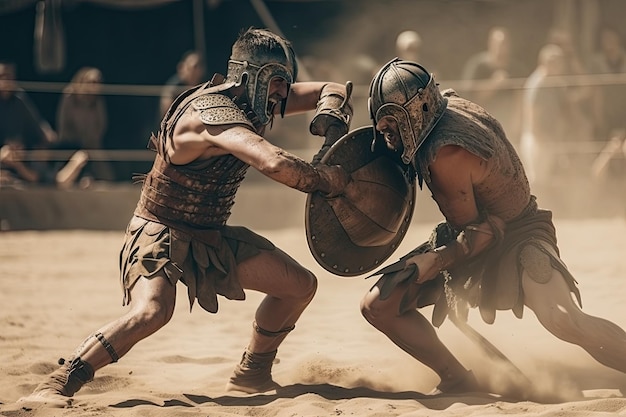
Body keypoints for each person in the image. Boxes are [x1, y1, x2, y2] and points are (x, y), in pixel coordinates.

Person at [19, 27, 353, 407]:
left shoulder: (255, 102)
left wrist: (330, 110)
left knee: (298, 285)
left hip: (207, 236)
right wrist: (329, 180)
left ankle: (252, 371)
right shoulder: (209, 116)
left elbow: (333, 86)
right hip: (159, 233)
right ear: (250, 77)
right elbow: (273, 162)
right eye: (277, 82)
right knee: (153, 311)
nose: (282, 93)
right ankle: (62, 380)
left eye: (285, 82)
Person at [360, 58, 626, 396]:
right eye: (382, 126)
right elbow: (470, 224)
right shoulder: (446, 105)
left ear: (414, 114)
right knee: (377, 305)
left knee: (562, 319)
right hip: (469, 231)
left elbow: (482, 233)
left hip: (518, 235)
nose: (387, 136)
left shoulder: (447, 152)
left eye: (392, 125)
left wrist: (435, 261)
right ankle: (457, 378)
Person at [519, 43, 592, 185]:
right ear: (546, 62)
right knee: (536, 182)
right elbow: (532, 115)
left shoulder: (556, 82)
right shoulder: (537, 84)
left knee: (549, 180)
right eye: (557, 62)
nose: (561, 65)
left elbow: (578, 95)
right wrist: (542, 139)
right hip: (537, 140)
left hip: (551, 139)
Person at [0, 60, 56, 186]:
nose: (6, 81)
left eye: (9, 77)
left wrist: (46, 140)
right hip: (3, 155)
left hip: (19, 156)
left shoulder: (19, 100)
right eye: (2, 77)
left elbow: (38, 126)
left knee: (39, 166)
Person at [54, 66, 111, 187]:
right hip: (70, 144)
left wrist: (91, 140)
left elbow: (101, 125)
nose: (94, 86)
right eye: (91, 82)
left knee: (106, 175)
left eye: (97, 82)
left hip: (92, 144)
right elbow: (63, 123)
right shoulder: (70, 96)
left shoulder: (97, 101)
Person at [159, 50, 206, 118]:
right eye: (191, 67)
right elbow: (166, 114)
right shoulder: (173, 87)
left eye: (198, 67)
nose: (194, 72)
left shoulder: (205, 84)